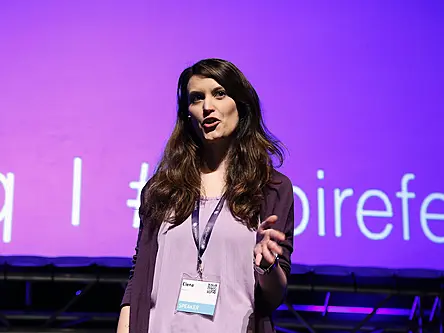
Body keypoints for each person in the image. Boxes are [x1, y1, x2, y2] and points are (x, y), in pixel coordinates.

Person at [117, 58, 294, 333]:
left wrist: (267, 266)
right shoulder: (161, 189)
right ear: (188, 113)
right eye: (197, 98)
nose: (207, 107)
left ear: (241, 104)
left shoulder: (271, 189)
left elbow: (273, 298)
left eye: (219, 94)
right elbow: (138, 277)